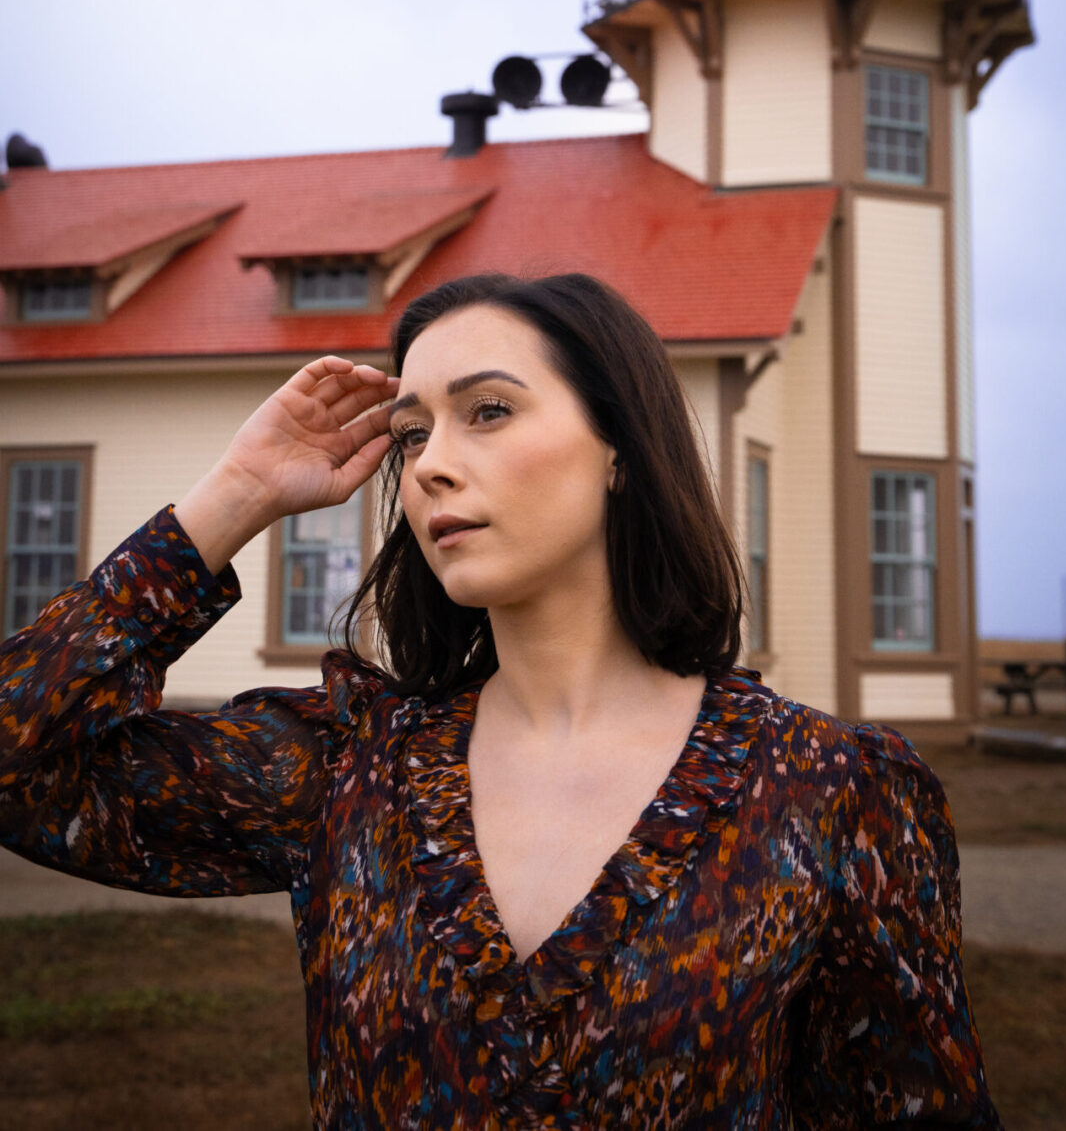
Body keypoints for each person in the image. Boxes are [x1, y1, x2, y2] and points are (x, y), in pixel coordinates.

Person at [0, 271, 999, 1129]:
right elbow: (18, 765)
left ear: (619, 448)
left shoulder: (830, 795)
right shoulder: (347, 766)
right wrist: (240, 492)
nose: (429, 462)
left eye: (487, 411)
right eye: (409, 433)